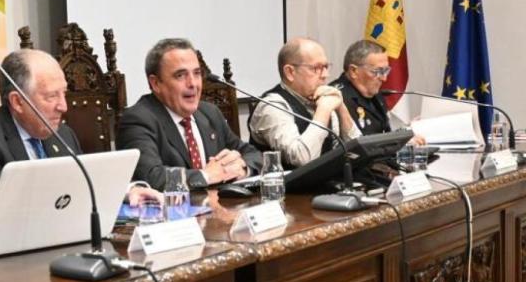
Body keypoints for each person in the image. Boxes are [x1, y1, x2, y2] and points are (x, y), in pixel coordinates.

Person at [0, 49, 159, 234]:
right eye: (51, 96)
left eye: (64, 94)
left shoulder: (63, 134)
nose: (64, 106)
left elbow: (83, 182)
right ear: (17, 101)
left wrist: (126, 191)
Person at [116, 38, 262, 190]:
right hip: (171, 212)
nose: (193, 83)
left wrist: (241, 167)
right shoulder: (138, 119)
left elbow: (254, 155)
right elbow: (150, 178)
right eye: (180, 75)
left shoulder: (210, 113)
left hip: (220, 208)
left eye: (197, 73)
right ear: (155, 83)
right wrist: (206, 175)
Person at [249, 37, 361, 168]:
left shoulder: (322, 98)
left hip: (328, 183)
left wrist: (342, 109)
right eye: (316, 68)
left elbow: (358, 151)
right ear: (290, 72)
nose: (326, 75)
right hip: (291, 187)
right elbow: (302, 159)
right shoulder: (272, 106)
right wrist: (323, 111)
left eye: (326, 67)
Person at [332, 39, 426, 145]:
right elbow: (358, 145)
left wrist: (406, 132)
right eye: (378, 71)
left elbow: (383, 133)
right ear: (354, 71)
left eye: (386, 71)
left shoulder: (375, 94)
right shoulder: (336, 98)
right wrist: (398, 141)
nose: (384, 78)